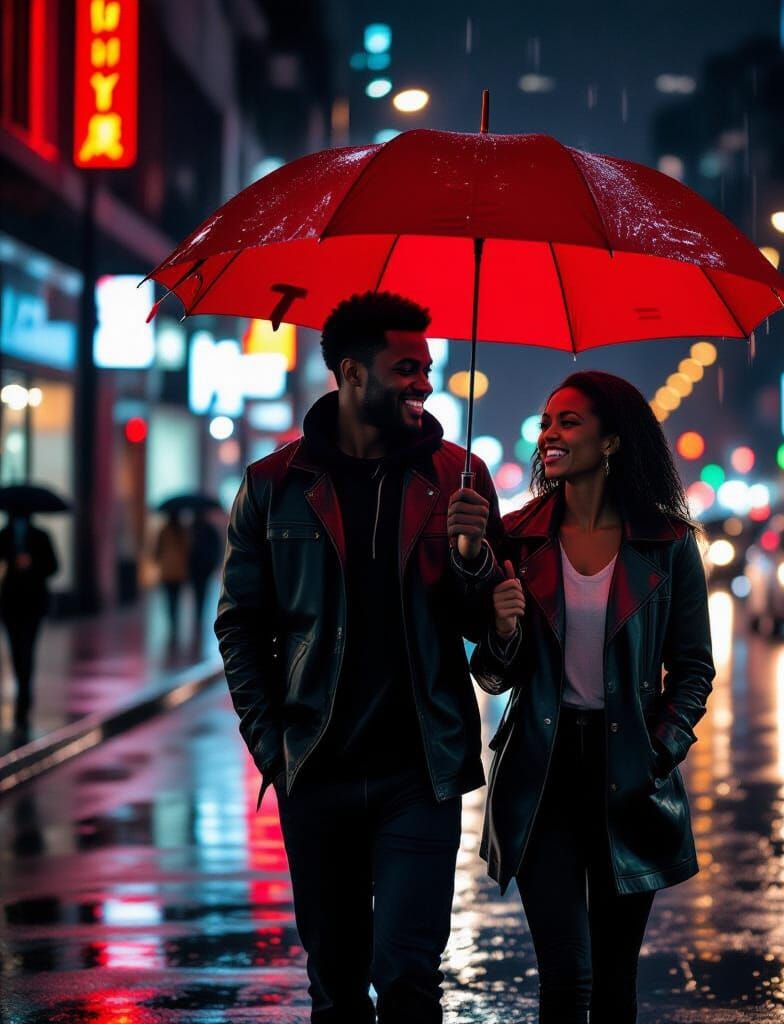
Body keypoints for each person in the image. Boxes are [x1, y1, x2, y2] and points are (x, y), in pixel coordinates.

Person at [215, 291, 502, 1024]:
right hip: (317, 768)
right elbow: (240, 626)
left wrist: (472, 558)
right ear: (350, 373)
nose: (424, 383)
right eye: (406, 368)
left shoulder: (458, 479)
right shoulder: (274, 486)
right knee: (337, 988)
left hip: (421, 771)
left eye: (428, 368)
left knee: (408, 980)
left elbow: (492, 649)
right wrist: (271, 746)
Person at [470, 371, 716, 1024]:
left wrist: (659, 750)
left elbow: (693, 669)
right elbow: (493, 677)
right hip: (540, 774)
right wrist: (498, 627)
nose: (549, 434)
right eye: (547, 422)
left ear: (612, 442)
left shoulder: (668, 544)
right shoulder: (517, 537)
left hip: (630, 775)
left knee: (612, 984)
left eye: (569, 422)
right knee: (565, 979)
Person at [0, 514, 59, 733]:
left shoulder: (41, 537)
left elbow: (53, 566)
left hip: (33, 602)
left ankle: (24, 691)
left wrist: (32, 563)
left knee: (27, 647)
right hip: (10, 602)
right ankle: (22, 685)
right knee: (16, 649)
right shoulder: (5, 536)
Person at [154, 510, 190, 644]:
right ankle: (175, 622)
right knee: (177, 598)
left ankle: (172, 622)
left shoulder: (164, 531)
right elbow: (188, 549)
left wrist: (159, 559)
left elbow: (157, 550)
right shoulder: (183, 531)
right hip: (180, 571)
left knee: (169, 599)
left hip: (167, 571)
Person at [188, 509, 223, 640]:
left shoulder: (192, 530)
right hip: (203, 567)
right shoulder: (208, 530)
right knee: (201, 592)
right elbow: (216, 548)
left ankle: (198, 614)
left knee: (199, 592)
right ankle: (199, 614)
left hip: (197, 568)